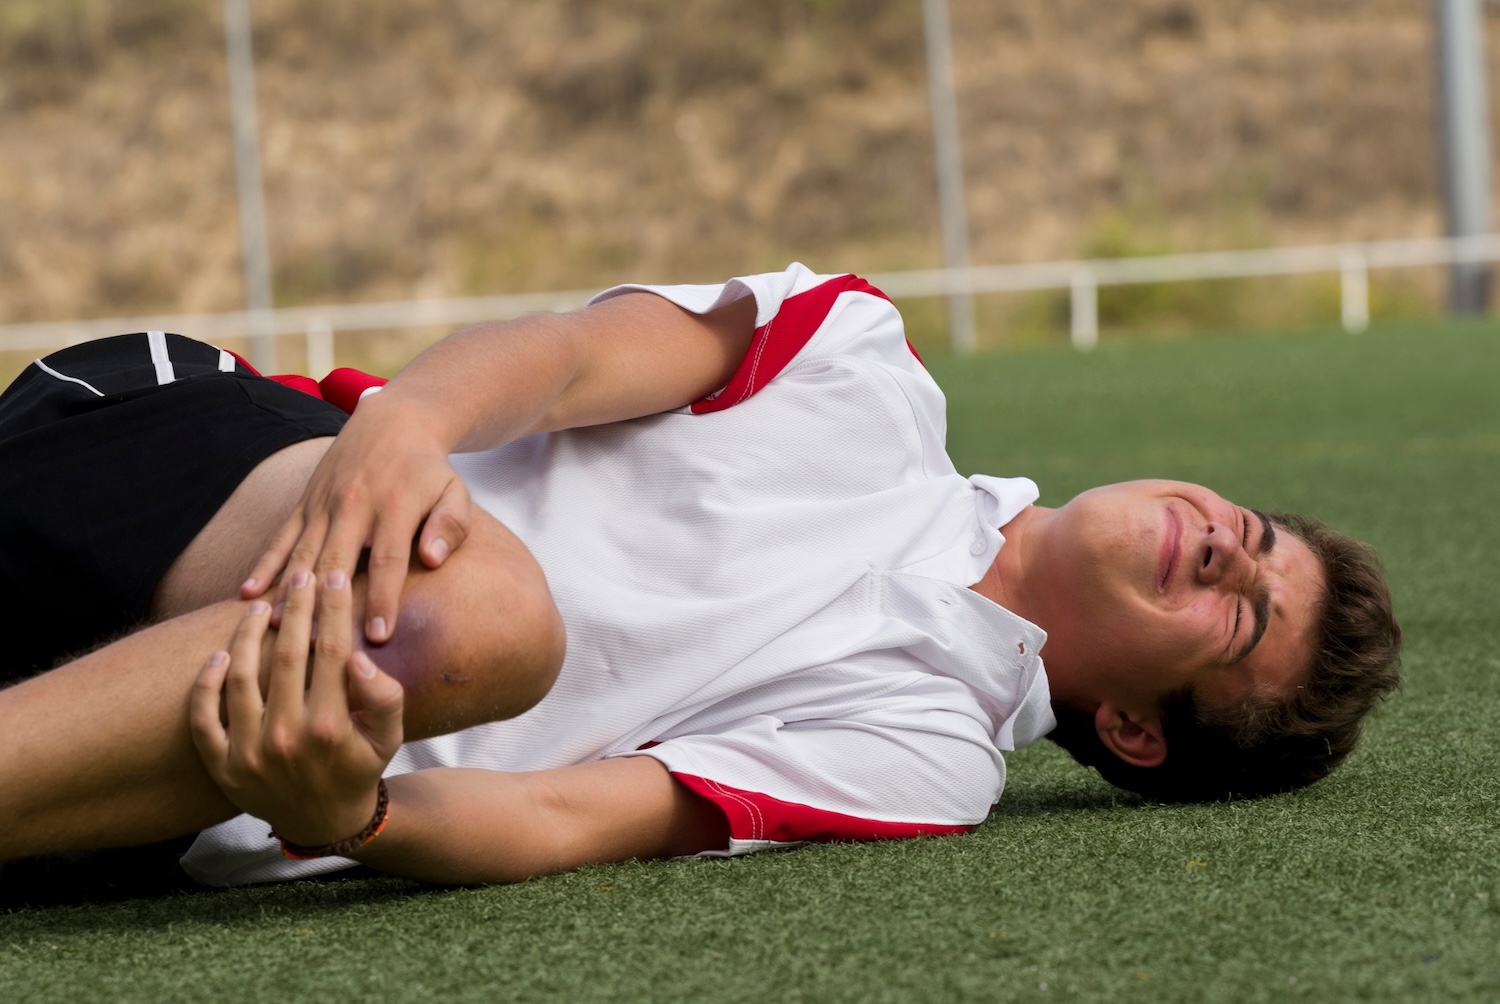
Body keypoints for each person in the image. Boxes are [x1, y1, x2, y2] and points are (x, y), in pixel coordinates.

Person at [0, 264, 1401, 891]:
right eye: (1259, 534)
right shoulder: (860, 363)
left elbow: (559, 816)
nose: (1232, 549)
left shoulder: (925, 758)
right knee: (479, 617)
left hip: (175, 783)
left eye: (1242, 621)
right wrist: (414, 421)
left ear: (1141, 730)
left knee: (426, 652)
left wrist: (356, 813)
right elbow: (563, 359)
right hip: (187, 467)